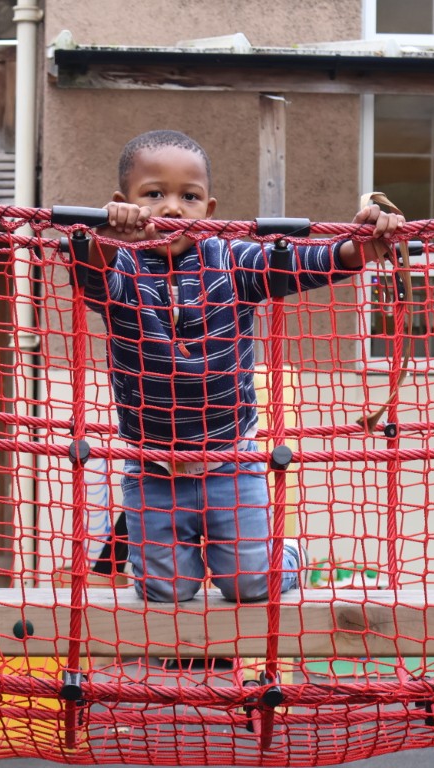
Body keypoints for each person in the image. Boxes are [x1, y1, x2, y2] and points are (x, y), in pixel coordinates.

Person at [80, 129, 403, 603]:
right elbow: (91, 278)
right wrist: (106, 241)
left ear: (209, 210)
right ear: (123, 203)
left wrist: (359, 248)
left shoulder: (231, 258)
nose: (173, 208)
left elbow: (299, 262)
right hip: (153, 468)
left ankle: (285, 556)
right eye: (153, 195)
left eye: (189, 197)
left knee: (250, 584)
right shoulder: (122, 266)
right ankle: (175, 562)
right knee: (166, 591)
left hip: (231, 461)